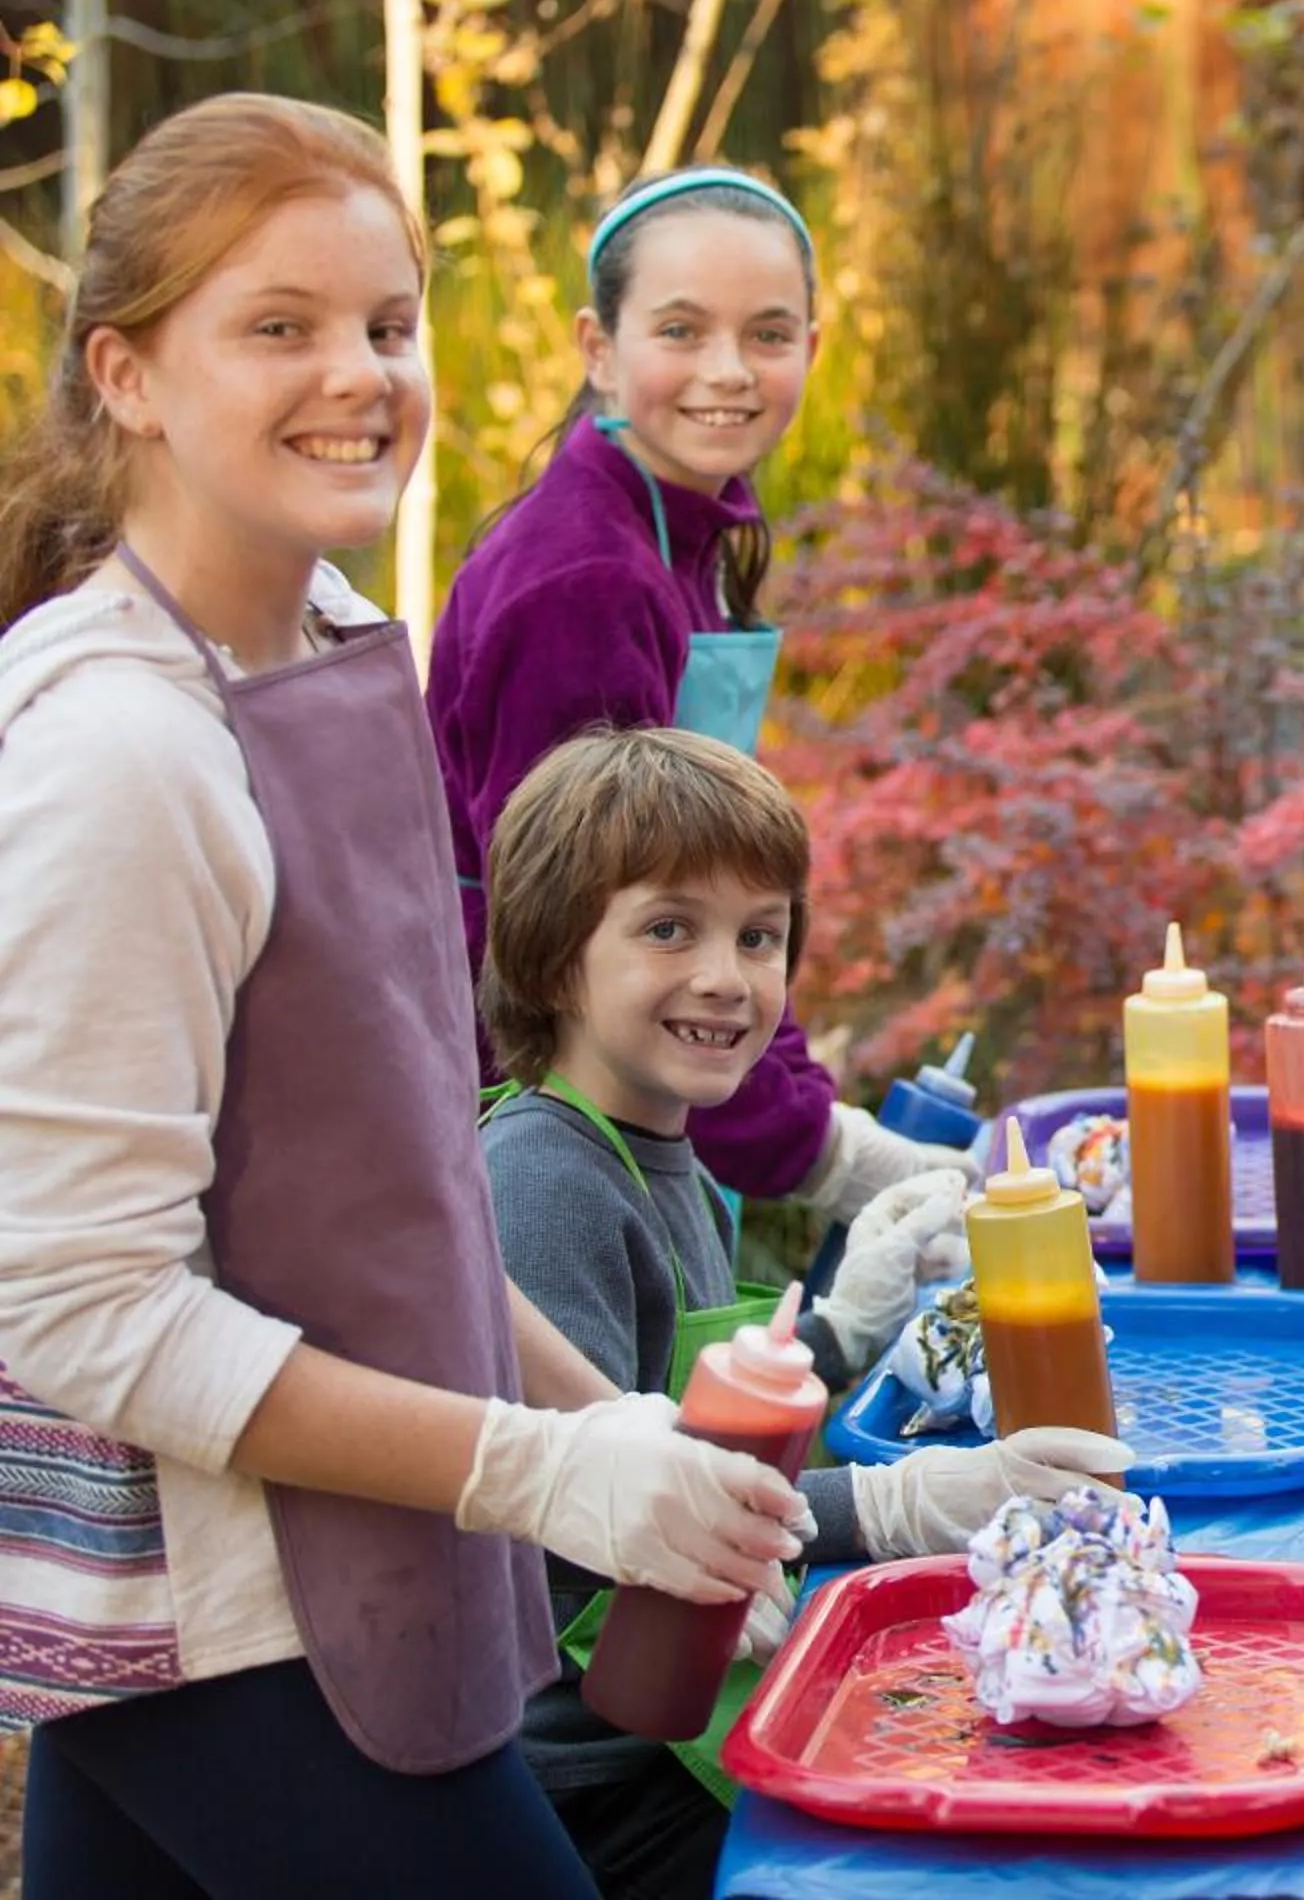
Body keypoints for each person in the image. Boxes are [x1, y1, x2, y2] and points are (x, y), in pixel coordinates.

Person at [0, 94, 806, 1897]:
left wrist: (609, 1426)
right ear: (126, 376)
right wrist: (540, 1473)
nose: (357, 375)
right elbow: (83, 1310)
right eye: (275, 327)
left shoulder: (342, 645)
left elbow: (404, 1188)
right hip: (224, 1608)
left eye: (383, 323)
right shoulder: (121, 749)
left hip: (368, 1544)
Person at [476, 725, 1131, 1897]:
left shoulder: (663, 1151)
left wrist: (844, 1325)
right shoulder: (547, 1180)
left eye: (760, 933)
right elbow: (586, 1516)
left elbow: (687, 1417)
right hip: (611, 1773)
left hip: (701, 1693)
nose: (728, 974)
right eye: (669, 926)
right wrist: (897, 1503)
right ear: (552, 951)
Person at [427, 164, 969, 1221]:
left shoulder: (683, 528)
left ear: (811, 348)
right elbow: (599, 935)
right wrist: (820, 1151)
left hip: (643, 1088)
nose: (727, 371)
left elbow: (714, 882)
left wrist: (807, 1104)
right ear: (598, 346)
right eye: (680, 330)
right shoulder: (583, 580)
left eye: (767, 335)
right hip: (543, 1126)